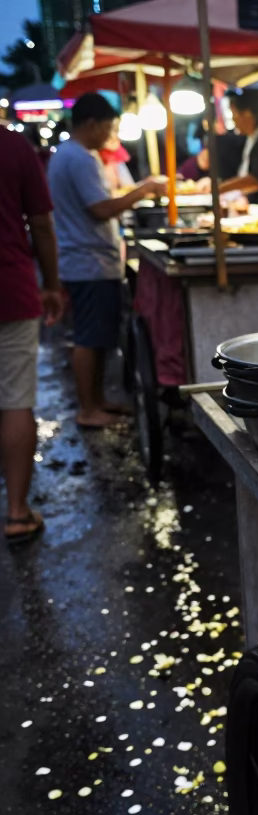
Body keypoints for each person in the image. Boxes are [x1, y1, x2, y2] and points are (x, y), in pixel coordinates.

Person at [48, 92, 167, 429]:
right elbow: (100, 209)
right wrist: (143, 189)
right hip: (89, 262)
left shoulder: (69, 155)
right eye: (109, 126)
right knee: (88, 337)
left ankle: (97, 400)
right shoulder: (80, 158)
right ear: (92, 124)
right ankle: (88, 409)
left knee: (98, 336)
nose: (111, 133)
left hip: (86, 259)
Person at [0, 126, 65, 545]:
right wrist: (53, 283)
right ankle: (18, 514)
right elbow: (41, 224)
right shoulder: (12, 145)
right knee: (15, 399)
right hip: (10, 288)